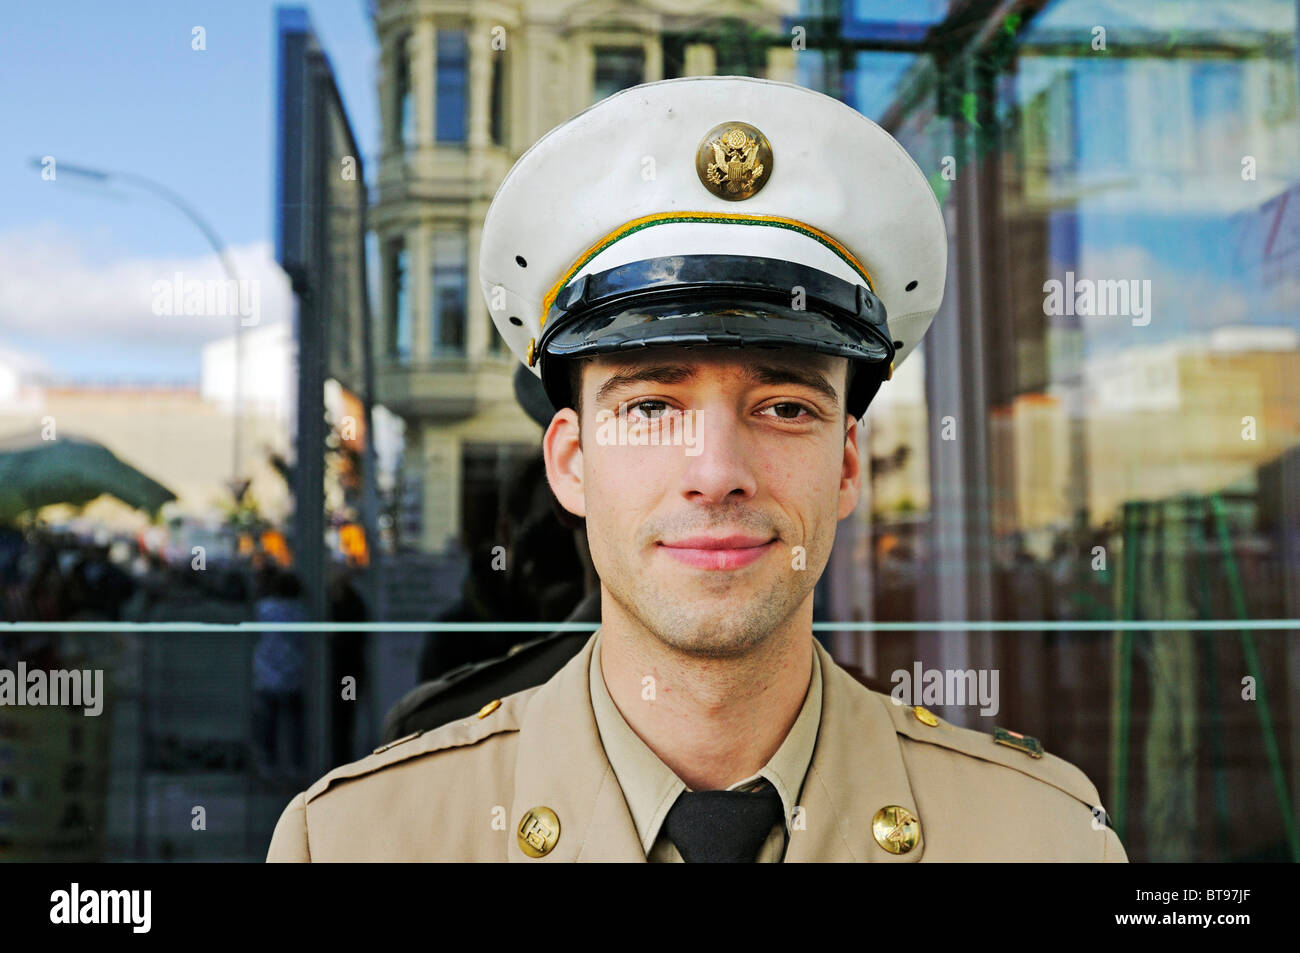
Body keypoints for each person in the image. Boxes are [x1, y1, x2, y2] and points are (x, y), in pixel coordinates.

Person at [268, 75, 1126, 862]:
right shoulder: (357, 842)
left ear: (846, 465)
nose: (716, 472)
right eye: (650, 407)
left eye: (786, 408)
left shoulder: (1044, 837)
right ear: (570, 462)